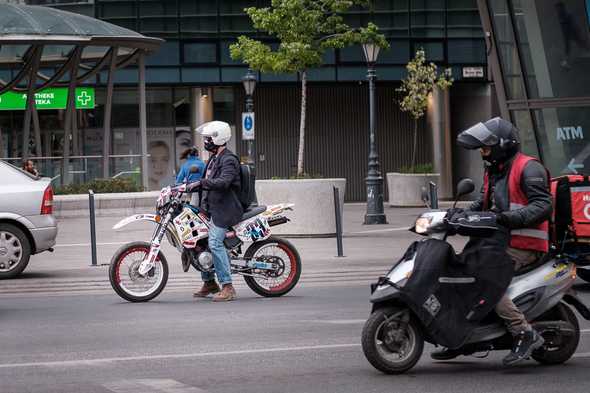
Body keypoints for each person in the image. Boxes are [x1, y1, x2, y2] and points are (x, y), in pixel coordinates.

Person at [431, 117, 551, 366]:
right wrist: (457, 214)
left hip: (523, 244)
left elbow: (543, 205)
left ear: (503, 145)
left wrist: (508, 219)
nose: (483, 153)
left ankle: (523, 332)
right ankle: (462, 337)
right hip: (497, 240)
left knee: (484, 280)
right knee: (456, 271)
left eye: (485, 148)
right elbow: (484, 203)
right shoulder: (495, 170)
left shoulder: (529, 168)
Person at [188, 121, 243, 302]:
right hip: (212, 208)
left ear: (219, 138)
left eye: (208, 138)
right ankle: (210, 282)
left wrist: (202, 183)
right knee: (197, 240)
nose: (205, 141)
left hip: (225, 209)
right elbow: (205, 181)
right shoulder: (213, 158)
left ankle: (227, 286)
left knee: (214, 242)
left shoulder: (229, 159)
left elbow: (224, 182)